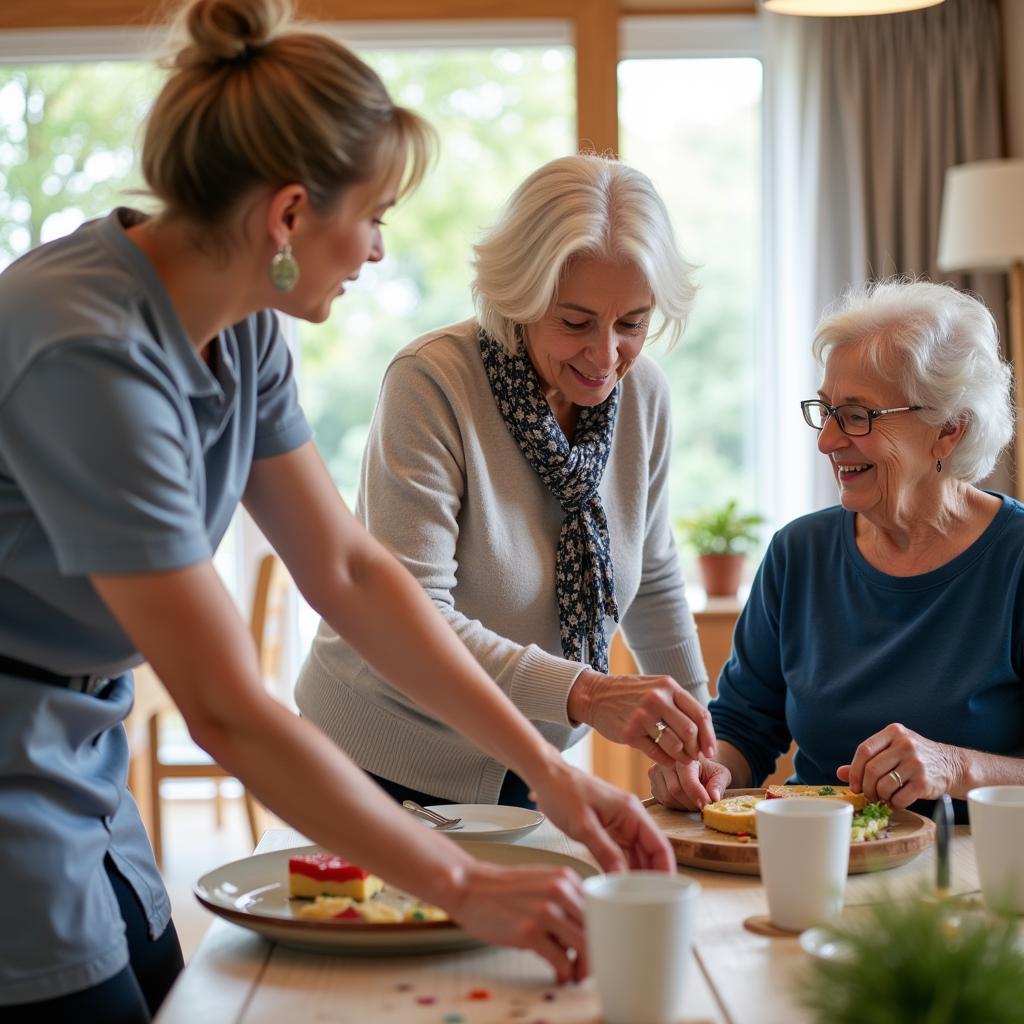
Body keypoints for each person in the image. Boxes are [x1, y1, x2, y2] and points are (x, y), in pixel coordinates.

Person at [0, 3, 677, 1017]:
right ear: (286, 217)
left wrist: (550, 770)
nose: (373, 251)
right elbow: (226, 707)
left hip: (74, 747)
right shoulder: (86, 352)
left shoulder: (243, 332)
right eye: (372, 216)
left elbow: (353, 573)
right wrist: (457, 883)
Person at [296, 153, 717, 812]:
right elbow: (416, 615)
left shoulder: (643, 396)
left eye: (631, 323)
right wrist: (585, 693)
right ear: (516, 297)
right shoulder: (432, 383)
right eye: (575, 322)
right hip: (375, 754)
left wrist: (696, 740)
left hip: (521, 760)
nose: (605, 356)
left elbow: (654, 572)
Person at [649, 278, 1024, 825]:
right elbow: (744, 727)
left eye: (857, 415)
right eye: (825, 410)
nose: (827, 440)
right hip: (816, 853)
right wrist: (710, 772)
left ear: (948, 430)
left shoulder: (1013, 559)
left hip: (969, 869)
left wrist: (958, 767)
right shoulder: (797, 554)